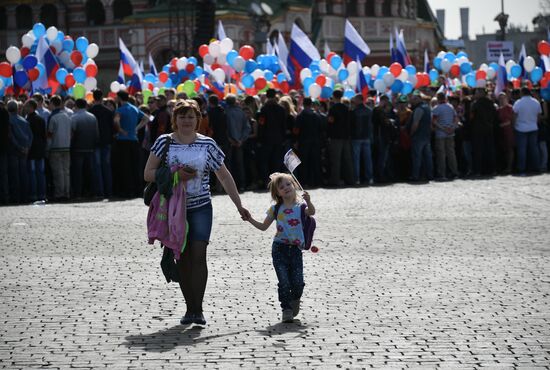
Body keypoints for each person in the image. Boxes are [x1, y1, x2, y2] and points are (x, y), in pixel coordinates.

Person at [144, 100, 250, 326]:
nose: (186, 121)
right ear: (175, 119)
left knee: (199, 255)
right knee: (182, 258)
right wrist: (175, 174)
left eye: (191, 117)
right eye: (182, 116)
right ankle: (189, 307)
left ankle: (198, 309)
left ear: (198, 120)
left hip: (201, 206)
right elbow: (148, 173)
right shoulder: (165, 142)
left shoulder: (208, 145)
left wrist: (239, 205)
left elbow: (224, 175)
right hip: (174, 208)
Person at [244, 172, 315, 323]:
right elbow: (263, 227)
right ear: (277, 193)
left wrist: (309, 201)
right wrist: (249, 219)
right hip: (279, 248)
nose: (286, 188)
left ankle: (295, 298)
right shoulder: (275, 209)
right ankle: (286, 309)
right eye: (281, 187)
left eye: (288, 184)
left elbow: (312, 212)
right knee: (283, 281)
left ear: (294, 185)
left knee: (298, 282)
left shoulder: (301, 206)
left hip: (295, 250)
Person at [113, 90, 149, 198]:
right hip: (134, 139)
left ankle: (127, 190)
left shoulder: (119, 110)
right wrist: (136, 128)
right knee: (135, 165)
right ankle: (137, 190)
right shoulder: (134, 108)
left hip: (123, 140)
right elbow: (146, 118)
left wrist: (120, 130)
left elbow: (116, 121)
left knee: (124, 166)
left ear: (119, 98)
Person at [257, 89, 287, 187]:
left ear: (267, 96)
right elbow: (284, 126)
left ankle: (267, 181)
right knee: (276, 161)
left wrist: (260, 138)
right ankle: (277, 182)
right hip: (279, 139)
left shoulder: (264, 109)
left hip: (266, 139)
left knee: (265, 161)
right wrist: (283, 138)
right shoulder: (281, 109)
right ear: (275, 96)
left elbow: (261, 124)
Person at [71, 99, 99, 198]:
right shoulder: (92, 117)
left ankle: (78, 193)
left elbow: (72, 134)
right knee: (90, 172)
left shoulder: (74, 118)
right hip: (90, 148)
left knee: (78, 173)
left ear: (76, 105)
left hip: (78, 148)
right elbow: (96, 133)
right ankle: (93, 192)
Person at [89, 89, 115, 198]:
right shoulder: (108, 111)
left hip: (95, 142)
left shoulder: (91, 111)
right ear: (102, 97)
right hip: (107, 141)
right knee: (107, 167)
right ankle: (109, 191)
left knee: (97, 167)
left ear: (94, 98)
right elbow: (112, 127)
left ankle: (99, 192)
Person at [7, 100, 33, 204]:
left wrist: (19, 147)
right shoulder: (24, 120)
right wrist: (27, 147)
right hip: (24, 150)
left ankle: (16, 197)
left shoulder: (9, 120)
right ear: (18, 108)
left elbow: (11, 137)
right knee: (24, 174)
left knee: (15, 175)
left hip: (14, 150)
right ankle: (25, 196)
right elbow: (31, 136)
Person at [47, 95, 72, 201]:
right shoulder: (67, 116)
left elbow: (49, 135)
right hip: (67, 147)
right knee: (66, 171)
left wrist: (47, 149)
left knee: (58, 172)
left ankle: (59, 194)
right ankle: (66, 193)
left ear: (52, 104)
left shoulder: (53, 117)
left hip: (55, 147)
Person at [327, 89, 353, 186]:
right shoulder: (346, 108)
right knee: (347, 159)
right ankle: (350, 180)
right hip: (345, 136)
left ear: (334, 97)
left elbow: (330, 121)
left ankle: (335, 180)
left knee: (336, 160)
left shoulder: (333, 109)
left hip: (336, 137)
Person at [224, 94, 250, 191]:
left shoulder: (226, 112)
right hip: (239, 141)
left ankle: (229, 186)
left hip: (229, 142)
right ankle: (242, 185)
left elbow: (225, 128)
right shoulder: (241, 112)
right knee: (240, 164)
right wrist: (241, 140)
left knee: (228, 164)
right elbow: (247, 128)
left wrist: (230, 139)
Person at [513, 87, 541, 175]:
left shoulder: (518, 102)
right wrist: (535, 123)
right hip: (533, 127)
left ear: (522, 93)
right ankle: (536, 167)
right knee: (534, 148)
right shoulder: (536, 102)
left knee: (522, 149)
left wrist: (514, 125)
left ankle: (522, 168)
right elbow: (539, 115)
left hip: (521, 128)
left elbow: (514, 114)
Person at [295, 97, 323, 187]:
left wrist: (296, 140)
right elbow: (321, 130)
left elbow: (296, 130)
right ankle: (316, 181)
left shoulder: (300, 116)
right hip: (315, 142)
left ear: (303, 104)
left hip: (304, 142)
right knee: (315, 161)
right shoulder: (317, 116)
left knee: (304, 163)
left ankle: (304, 181)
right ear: (311, 104)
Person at [470, 88, 497, 177]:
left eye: (476, 93)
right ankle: (491, 170)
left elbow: (472, 117)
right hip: (489, 128)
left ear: (480, 94)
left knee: (478, 150)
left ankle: (478, 170)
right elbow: (494, 115)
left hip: (478, 129)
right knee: (490, 150)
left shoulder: (476, 104)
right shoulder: (491, 103)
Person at [432, 92, 459, 180]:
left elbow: (434, 121)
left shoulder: (436, 108)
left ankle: (442, 174)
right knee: (451, 153)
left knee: (441, 154)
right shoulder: (451, 107)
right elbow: (456, 119)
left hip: (440, 134)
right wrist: (452, 128)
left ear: (438, 98)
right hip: (451, 133)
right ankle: (455, 172)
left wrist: (443, 129)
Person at [25, 99, 47, 202]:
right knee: (41, 173)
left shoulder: (28, 120)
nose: (25, 108)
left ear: (31, 107)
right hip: (41, 149)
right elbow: (44, 135)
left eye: (27, 106)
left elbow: (28, 136)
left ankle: (33, 195)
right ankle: (42, 194)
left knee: (32, 173)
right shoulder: (41, 119)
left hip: (32, 150)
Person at [408, 92, 433, 182]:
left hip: (418, 136)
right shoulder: (427, 108)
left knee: (417, 157)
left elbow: (415, 124)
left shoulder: (419, 109)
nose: (412, 101)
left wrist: (411, 133)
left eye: (413, 99)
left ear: (417, 99)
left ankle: (415, 176)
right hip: (426, 136)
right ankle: (430, 175)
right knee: (428, 157)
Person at [349, 94, 374, 185]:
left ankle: (357, 178)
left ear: (358, 100)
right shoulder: (369, 110)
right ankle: (369, 178)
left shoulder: (354, 111)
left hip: (356, 137)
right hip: (366, 137)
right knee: (368, 159)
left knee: (356, 159)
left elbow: (352, 125)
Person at [496, 93, 515, 174]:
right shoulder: (498, 109)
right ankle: (504, 166)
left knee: (510, 149)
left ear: (506, 98)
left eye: (503, 98)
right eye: (500, 98)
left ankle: (509, 167)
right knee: (503, 150)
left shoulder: (510, 108)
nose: (501, 100)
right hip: (501, 132)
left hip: (509, 131)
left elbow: (512, 119)